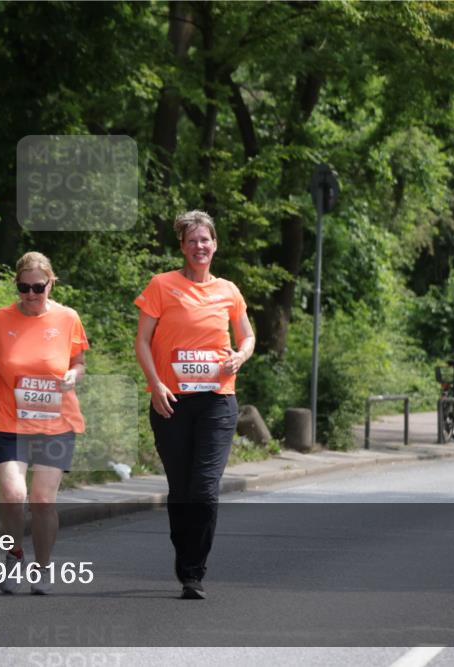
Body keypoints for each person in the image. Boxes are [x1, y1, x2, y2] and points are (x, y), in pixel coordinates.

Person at [134, 210, 255, 600]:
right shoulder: (161, 286)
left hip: (218, 401)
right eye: (192, 241)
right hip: (172, 401)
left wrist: (240, 355)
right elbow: (142, 341)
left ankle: (193, 571)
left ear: (215, 243)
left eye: (205, 240)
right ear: (183, 247)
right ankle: (185, 555)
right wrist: (154, 385)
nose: (199, 247)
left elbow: (248, 336)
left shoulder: (229, 291)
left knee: (204, 489)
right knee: (181, 489)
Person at [0, 252, 89, 595]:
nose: (29, 294)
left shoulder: (68, 318)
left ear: (51, 283)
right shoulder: (1, 319)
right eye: (23, 287)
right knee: (13, 493)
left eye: (37, 287)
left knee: (42, 499)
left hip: (55, 421)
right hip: (8, 418)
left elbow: (79, 361)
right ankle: (13, 555)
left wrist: (73, 374)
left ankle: (42, 567)